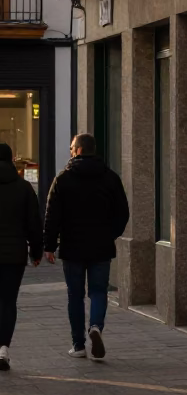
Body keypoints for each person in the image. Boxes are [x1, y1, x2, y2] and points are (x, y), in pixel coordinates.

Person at [43, 133, 129, 362]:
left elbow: (52, 216)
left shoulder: (63, 179)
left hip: (72, 246)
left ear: (79, 150)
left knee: (75, 295)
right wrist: (110, 234)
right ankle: (96, 327)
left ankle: (78, 344)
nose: (70, 151)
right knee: (99, 291)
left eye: (72, 147)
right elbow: (123, 212)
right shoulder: (110, 178)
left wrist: (49, 246)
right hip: (101, 246)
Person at [0, 143, 46, 371]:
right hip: (14, 255)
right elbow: (34, 225)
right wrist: (37, 251)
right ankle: (3, 349)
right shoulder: (24, 188)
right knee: (8, 302)